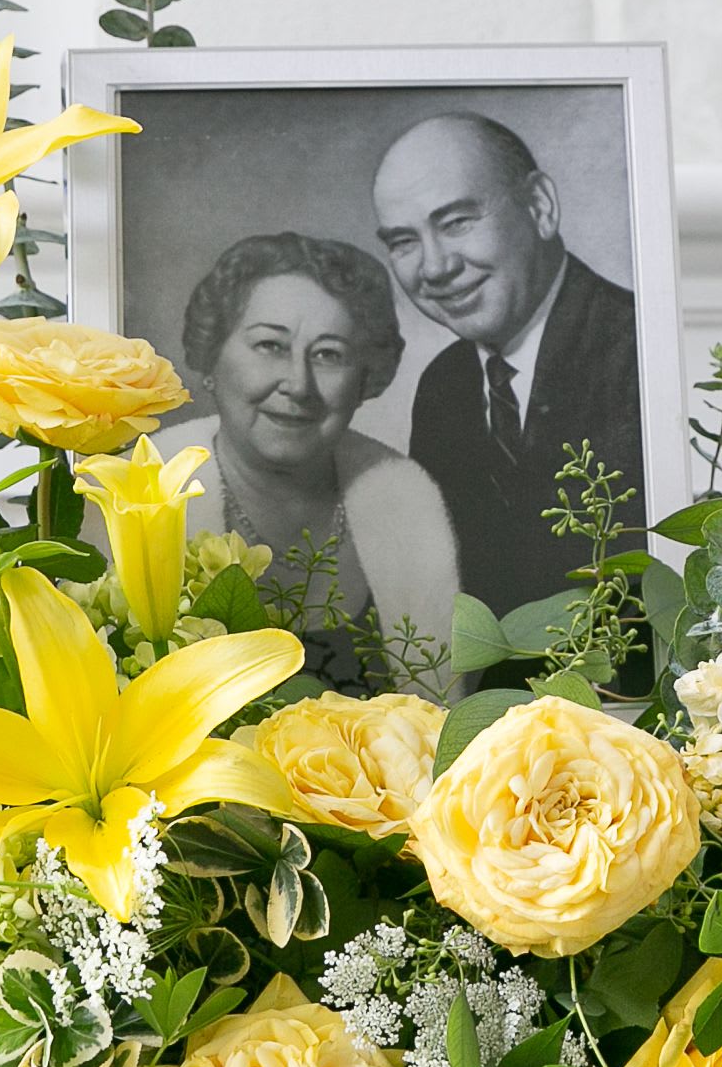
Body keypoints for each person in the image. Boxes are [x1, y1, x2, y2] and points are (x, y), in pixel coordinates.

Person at [161, 231, 460, 693]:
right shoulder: (146, 497)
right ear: (210, 358)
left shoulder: (408, 504)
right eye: (270, 346)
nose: (298, 384)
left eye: (328, 355)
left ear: (364, 379)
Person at [371, 113, 644, 615]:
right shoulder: (445, 385)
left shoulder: (638, 351)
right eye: (403, 242)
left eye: (456, 223)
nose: (435, 267)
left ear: (540, 207)